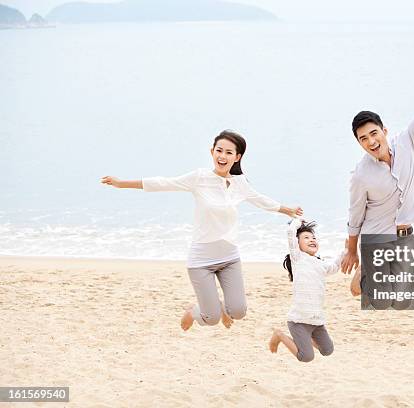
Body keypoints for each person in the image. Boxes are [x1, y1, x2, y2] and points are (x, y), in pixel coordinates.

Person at [101, 130, 302, 330]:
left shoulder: (240, 183)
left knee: (239, 311)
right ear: (212, 151)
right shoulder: (199, 178)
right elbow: (163, 182)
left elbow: (261, 200)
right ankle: (193, 311)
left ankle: (218, 307)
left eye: (229, 152)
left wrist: (287, 210)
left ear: (237, 157)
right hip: (201, 261)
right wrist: (122, 183)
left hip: (229, 258)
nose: (222, 156)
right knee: (211, 318)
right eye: (219, 150)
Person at [341, 39, 414, 301]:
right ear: (359, 142)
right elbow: (355, 215)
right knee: (380, 300)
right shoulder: (361, 174)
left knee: (401, 302)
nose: (370, 141)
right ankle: (366, 271)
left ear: (384, 131)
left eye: (373, 134)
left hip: (404, 238)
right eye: (363, 139)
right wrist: (352, 251)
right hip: (375, 239)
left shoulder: (407, 142)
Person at [268, 218, 342, 362]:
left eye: (313, 237)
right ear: (298, 243)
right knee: (306, 356)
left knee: (327, 350)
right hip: (299, 321)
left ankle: (305, 340)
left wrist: (346, 252)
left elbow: (334, 267)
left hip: (316, 320)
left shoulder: (320, 264)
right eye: (306, 238)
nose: (312, 239)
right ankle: (279, 335)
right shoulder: (298, 258)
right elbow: (290, 232)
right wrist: (297, 222)